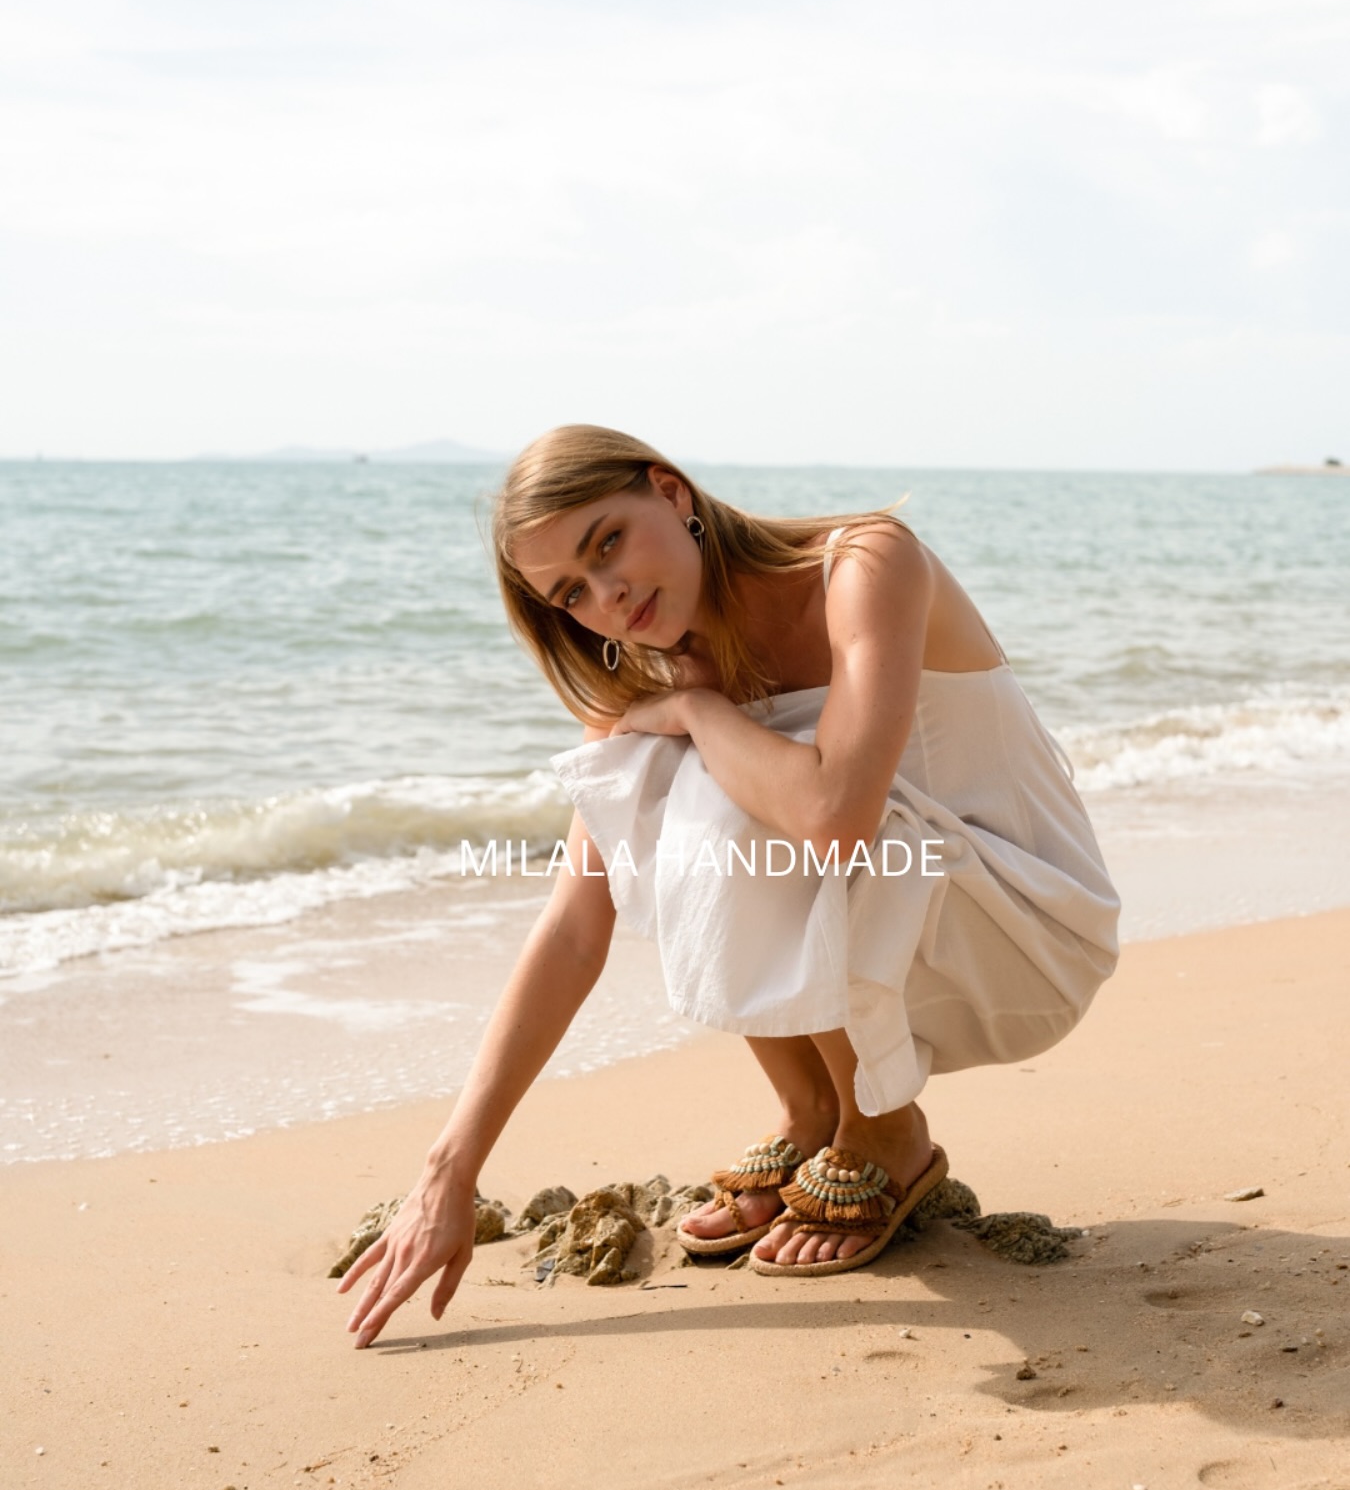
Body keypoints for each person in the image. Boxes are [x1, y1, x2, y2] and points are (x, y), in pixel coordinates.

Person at [340, 425, 1119, 1346]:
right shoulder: (646, 670)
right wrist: (448, 1172)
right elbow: (572, 931)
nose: (608, 596)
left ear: (670, 491)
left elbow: (834, 818)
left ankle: (884, 1130)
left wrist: (698, 709)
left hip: (1024, 926)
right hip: (908, 936)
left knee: (720, 776)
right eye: (571, 594)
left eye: (607, 543)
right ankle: (813, 1108)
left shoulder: (863, 563)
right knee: (650, 772)